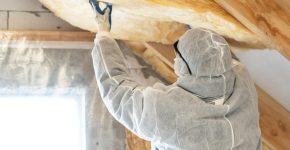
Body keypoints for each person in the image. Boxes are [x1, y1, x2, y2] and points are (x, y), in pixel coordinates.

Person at [91, 2, 261, 150]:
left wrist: (103, 35)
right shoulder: (243, 82)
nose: (174, 59)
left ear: (185, 67)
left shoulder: (167, 112)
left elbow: (116, 91)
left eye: (178, 56)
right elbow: (218, 60)